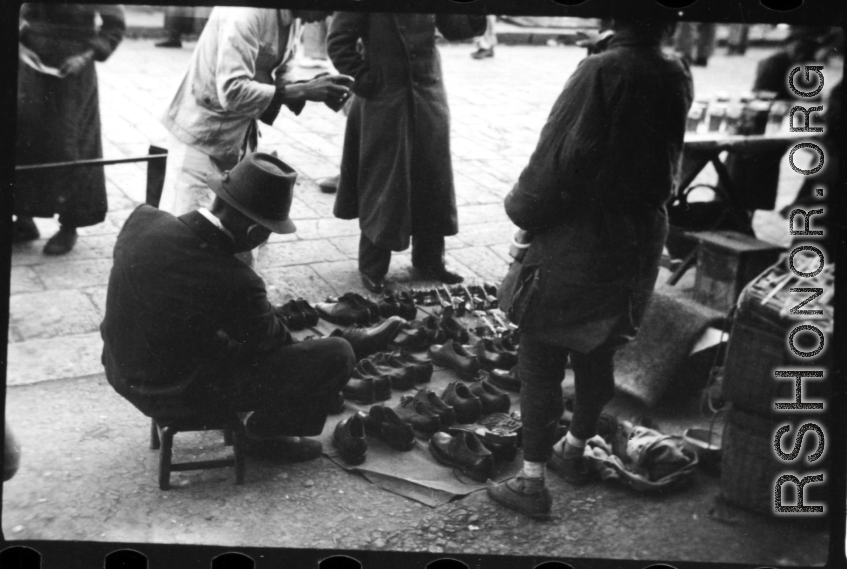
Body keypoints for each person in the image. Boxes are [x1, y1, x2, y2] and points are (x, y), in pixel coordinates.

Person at [487, 18, 693, 519]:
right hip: (641, 235)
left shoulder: (602, 70)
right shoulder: (676, 70)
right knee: (599, 350)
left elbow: (559, 160)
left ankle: (531, 482)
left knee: (539, 356)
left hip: (587, 235)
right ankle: (573, 450)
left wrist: (524, 213)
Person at [101, 153, 356, 460]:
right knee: (337, 353)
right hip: (172, 392)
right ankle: (265, 436)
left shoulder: (143, 220)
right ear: (254, 233)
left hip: (120, 370)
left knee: (233, 334)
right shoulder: (236, 279)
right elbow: (272, 346)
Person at [327, 12, 486, 293]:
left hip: (428, 94)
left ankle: (430, 260)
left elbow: (456, 28)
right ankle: (372, 266)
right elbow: (339, 41)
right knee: (384, 183)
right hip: (384, 99)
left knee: (433, 179)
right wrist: (366, 80)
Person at [159, 7, 353, 219]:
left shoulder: (294, 14)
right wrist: (303, 90)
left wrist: (311, 87)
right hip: (200, 130)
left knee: (226, 226)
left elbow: (282, 68)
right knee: (188, 224)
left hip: (236, 133)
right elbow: (232, 91)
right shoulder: (247, 13)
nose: (328, 14)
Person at [14, 4, 125, 255]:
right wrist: (18, 47)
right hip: (30, 63)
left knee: (72, 143)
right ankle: (23, 219)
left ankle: (69, 226)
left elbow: (114, 25)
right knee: (24, 136)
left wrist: (86, 56)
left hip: (74, 68)